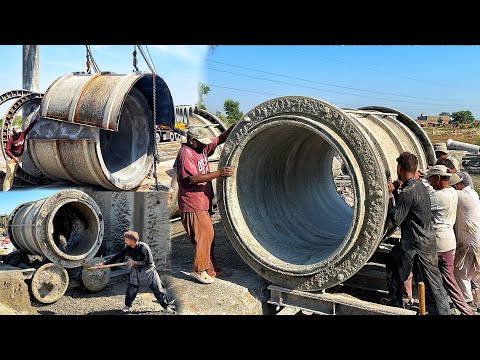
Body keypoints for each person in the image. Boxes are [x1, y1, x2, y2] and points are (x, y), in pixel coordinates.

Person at [174, 121, 244, 284]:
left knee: (208, 238)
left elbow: (220, 138)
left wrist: (237, 125)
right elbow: (193, 178)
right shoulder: (186, 153)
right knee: (205, 235)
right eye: (201, 142)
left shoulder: (201, 147)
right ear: (192, 141)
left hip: (203, 201)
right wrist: (218, 173)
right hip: (192, 203)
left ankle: (211, 269)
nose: (205, 145)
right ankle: (198, 270)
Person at [382, 152, 450, 315]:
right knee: (428, 279)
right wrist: (398, 192)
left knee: (431, 282)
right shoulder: (419, 186)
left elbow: (397, 218)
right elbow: (409, 209)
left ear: (400, 168)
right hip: (426, 240)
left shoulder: (408, 191)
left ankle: (441, 311)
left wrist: (390, 196)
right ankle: (399, 301)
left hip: (416, 244)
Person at [424, 165, 473, 315]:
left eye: (431, 179)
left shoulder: (438, 197)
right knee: (449, 279)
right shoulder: (452, 192)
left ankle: (440, 308)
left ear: (438, 179)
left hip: (438, 243)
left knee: (434, 280)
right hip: (449, 242)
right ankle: (465, 310)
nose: (431, 182)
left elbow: (422, 199)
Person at [100, 230, 175, 313]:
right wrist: (104, 263)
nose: (125, 241)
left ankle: (165, 307)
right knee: (131, 289)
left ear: (132, 241)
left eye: (126, 239)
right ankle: (128, 306)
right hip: (135, 270)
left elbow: (148, 262)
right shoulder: (126, 247)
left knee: (158, 289)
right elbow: (117, 256)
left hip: (148, 270)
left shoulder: (144, 248)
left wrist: (135, 262)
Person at [449, 172, 480, 312]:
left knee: (461, 273)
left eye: (455, 185)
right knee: (473, 273)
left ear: (460, 185)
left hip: (469, 242)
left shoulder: (462, 196)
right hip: (474, 240)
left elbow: (445, 192)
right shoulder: (472, 193)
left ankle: (468, 302)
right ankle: (474, 297)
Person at [3, 111, 41, 191]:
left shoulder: (22, 134)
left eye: (19, 132)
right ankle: (6, 190)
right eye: (17, 133)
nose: (19, 134)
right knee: (9, 174)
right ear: (14, 133)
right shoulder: (11, 139)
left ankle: (10, 187)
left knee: (13, 173)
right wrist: (13, 158)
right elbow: (7, 150)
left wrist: (36, 120)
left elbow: (30, 127)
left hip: (18, 157)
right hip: (11, 159)